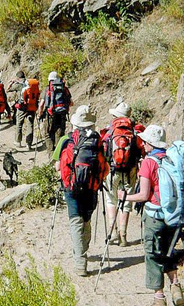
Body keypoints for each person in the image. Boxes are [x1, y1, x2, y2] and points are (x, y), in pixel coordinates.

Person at [120, 125, 184, 306]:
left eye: (144, 141)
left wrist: (124, 196)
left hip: (154, 216)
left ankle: (159, 298)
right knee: (169, 250)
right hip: (173, 215)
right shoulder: (172, 158)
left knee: (153, 254)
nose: (142, 144)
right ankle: (176, 286)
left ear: (149, 143)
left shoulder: (149, 162)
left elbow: (143, 195)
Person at [58, 105, 108, 277]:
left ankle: (80, 261)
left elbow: (59, 165)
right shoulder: (98, 141)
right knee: (86, 219)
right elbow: (105, 166)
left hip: (71, 187)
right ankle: (83, 248)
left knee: (75, 221)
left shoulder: (66, 140)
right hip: (91, 187)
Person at [102, 101, 143, 248]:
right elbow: (141, 150)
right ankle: (123, 236)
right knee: (126, 201)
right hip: (130, 170)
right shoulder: (135, 131)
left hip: (112, 169)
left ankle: (112, 233)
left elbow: (103, 147)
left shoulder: (110, 130)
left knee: (111, 199)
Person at [37, 71, 71, 153]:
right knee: (59, 133)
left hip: (50, 115)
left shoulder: (47, 89)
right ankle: (59, 154)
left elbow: (41, 104)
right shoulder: (64, 89)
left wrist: (39, 114)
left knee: (48, 134)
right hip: (62, 114)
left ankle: (51, 154)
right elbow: (71, 102)